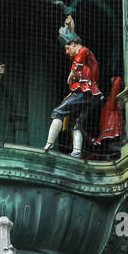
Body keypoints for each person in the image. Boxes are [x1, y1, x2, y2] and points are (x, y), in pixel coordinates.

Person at [44, 16, 103, 158]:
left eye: (67, 48)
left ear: (73, 44)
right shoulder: (80, 55)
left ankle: (48, 145)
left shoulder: (83, 51)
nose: (66, 52)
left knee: (58, 111)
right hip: (89, 95)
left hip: (84, 91)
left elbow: (78, 60)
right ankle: (77, 151)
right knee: (76, 123)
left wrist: (72, 74)